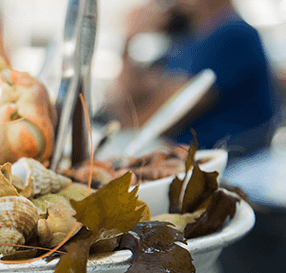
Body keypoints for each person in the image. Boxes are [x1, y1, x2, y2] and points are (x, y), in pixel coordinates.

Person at [102, 0, 281, 158]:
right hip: (182, 163)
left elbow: (150, 120)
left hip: (225, 169)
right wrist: (129, 40)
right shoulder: (185, 41)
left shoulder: (235, 35)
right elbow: (124, 103)